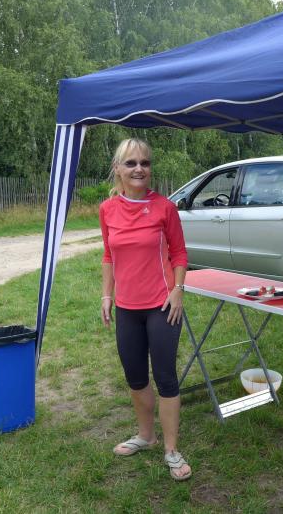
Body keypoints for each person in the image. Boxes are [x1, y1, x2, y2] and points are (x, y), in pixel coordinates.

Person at [99, 138, 191, 481]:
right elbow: (108, 255)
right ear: (118, 169)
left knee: (165, 378)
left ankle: (171, 450)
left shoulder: (165, 207)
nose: (139, 169)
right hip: (127, 309)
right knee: (135, 377)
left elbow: (179, 253)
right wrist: (106, 296)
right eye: (131, 163)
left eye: (145, 163)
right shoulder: (107, 209)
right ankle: (146, 436)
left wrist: (178, 290)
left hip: (162, 306)